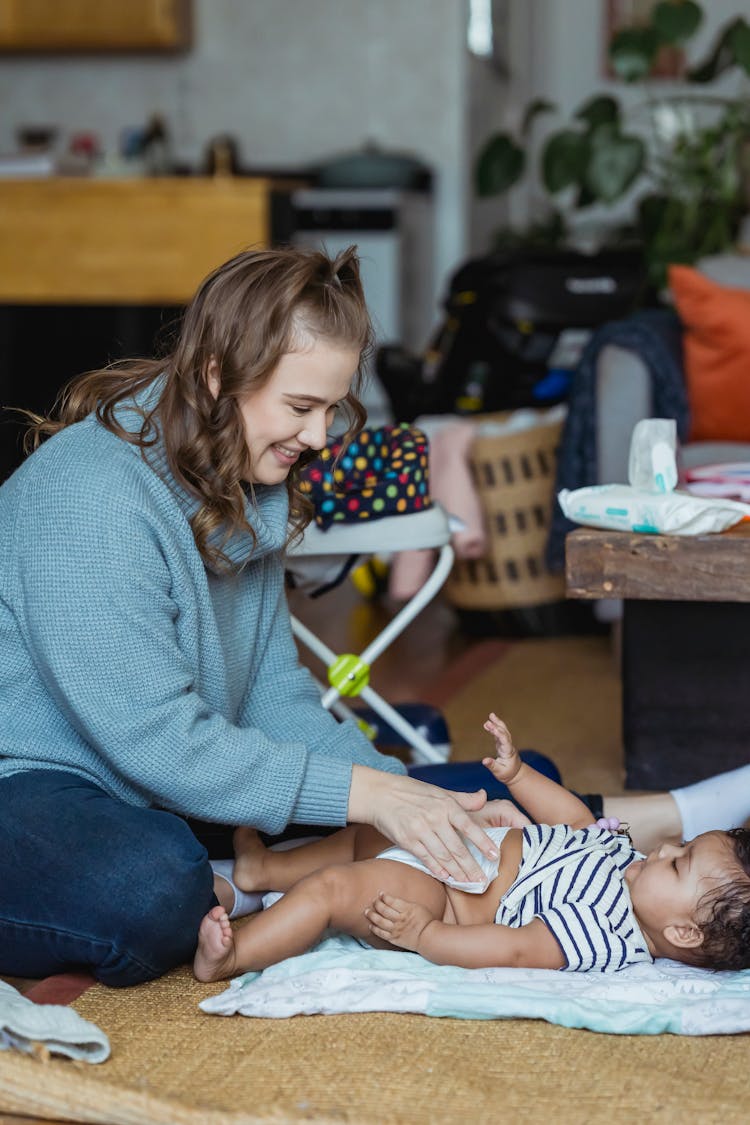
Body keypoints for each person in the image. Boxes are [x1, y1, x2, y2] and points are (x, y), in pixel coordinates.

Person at [0, 246, 504, 988]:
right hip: (32, 784)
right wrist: (372, 801)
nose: (323, 436)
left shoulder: (241, 480)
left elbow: (274, 695)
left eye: (331, 408)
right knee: (154, 885)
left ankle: (247, 876)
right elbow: (159, 740)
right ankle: (244, 878)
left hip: (151, 787)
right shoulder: (92, 495)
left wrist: (399, 794)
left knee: (480, 797)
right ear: (216, 377)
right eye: (302, 408)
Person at [194, 713, 750, 981]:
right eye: (679, 847)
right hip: (458, 846)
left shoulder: (607, 932)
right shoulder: (626, 863)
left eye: (678, 864)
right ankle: (265, 869)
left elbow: (512, 949)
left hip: (440, 898)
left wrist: (426, 934)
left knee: (334, 889)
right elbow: (578, 819)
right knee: (367, 832)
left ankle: (235, 959)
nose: (664, 850)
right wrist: (519, 775)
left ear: (681, 931)